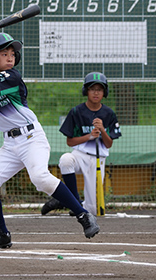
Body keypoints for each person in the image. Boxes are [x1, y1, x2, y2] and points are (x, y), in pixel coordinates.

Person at [0, 32, 100, 248]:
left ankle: (83, 215)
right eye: (4, 53)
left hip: (32, 138)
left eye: (12, 54)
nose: (10, 57)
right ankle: (1, 234)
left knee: (40, 177)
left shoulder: (11, 76)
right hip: (10, 144)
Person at [41, 72, 122, 216]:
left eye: (99, 89)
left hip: (98, 159)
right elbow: (69, 141)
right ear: (86, 91)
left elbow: (109, 144)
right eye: (92, 89)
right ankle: (75, 202)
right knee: (65, 160)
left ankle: (64, 201)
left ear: (104, 92)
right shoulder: (76, 111)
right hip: (79, 155)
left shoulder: (109, 114)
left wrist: (102, 130)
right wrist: (89, 136)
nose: (96, 93)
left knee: (93, 210)